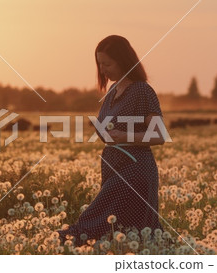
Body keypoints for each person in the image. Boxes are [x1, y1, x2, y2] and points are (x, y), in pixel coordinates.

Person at [57, 35, 167, 247]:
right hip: (113, 167)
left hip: (135, 171)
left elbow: (159, 135)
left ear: (124, 61)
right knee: (121, 233)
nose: (103, 69)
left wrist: (124, 136)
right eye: (100, 64)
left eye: (107, 63)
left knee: (94, 223)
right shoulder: (112, 91)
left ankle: (60, 243)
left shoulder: (142, 91)